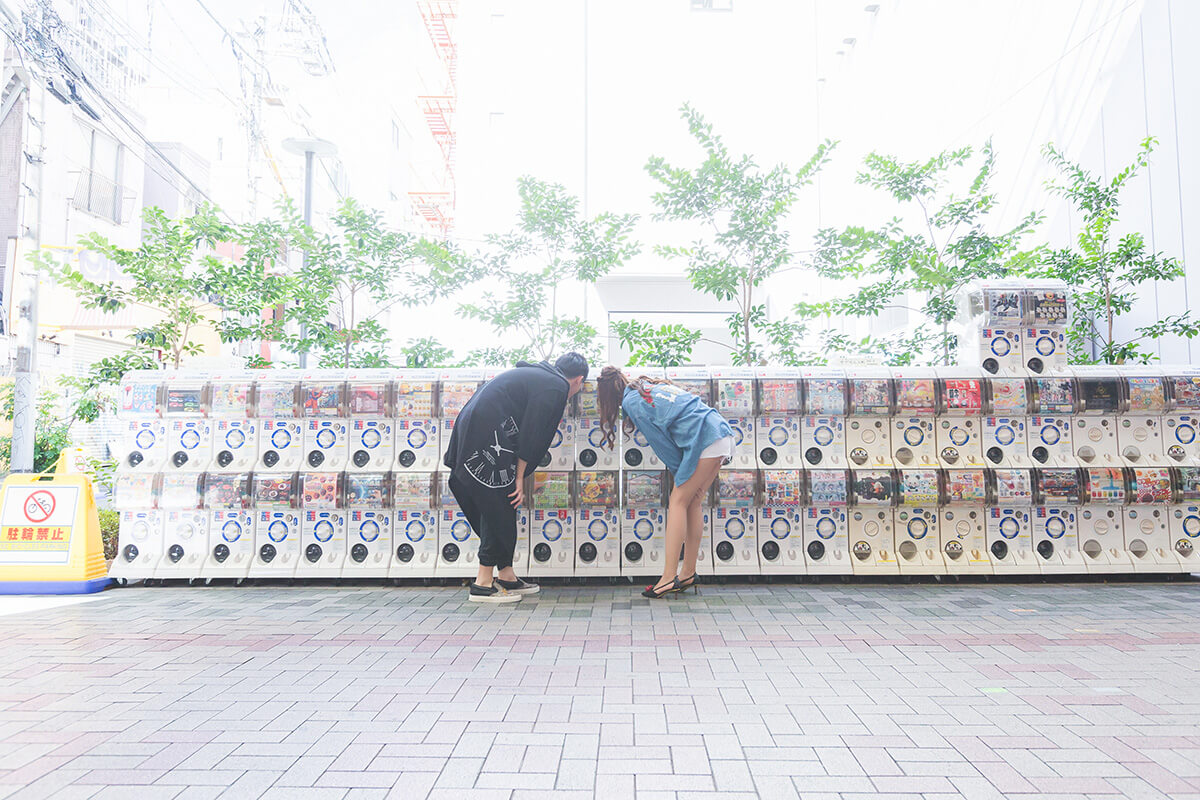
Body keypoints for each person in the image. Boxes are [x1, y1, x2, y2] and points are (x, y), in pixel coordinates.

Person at [443, 353, 588, 604]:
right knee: (499, 502)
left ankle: (506, 574)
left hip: (473, 429)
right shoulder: (556, 387)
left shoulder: (538, 375)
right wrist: (518, 478)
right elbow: (533, 435)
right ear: (579, 380)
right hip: (489, 437)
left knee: (497, 503)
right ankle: (483, 583)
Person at [595, 366, 734, 598]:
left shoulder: (632, 402)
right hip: (720, 432)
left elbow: (662, 444)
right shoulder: (646, 387)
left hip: (706, 439)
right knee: (693, 501)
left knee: (678, 500)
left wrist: (680, 473)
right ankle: (688, 572)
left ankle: (668, 578)